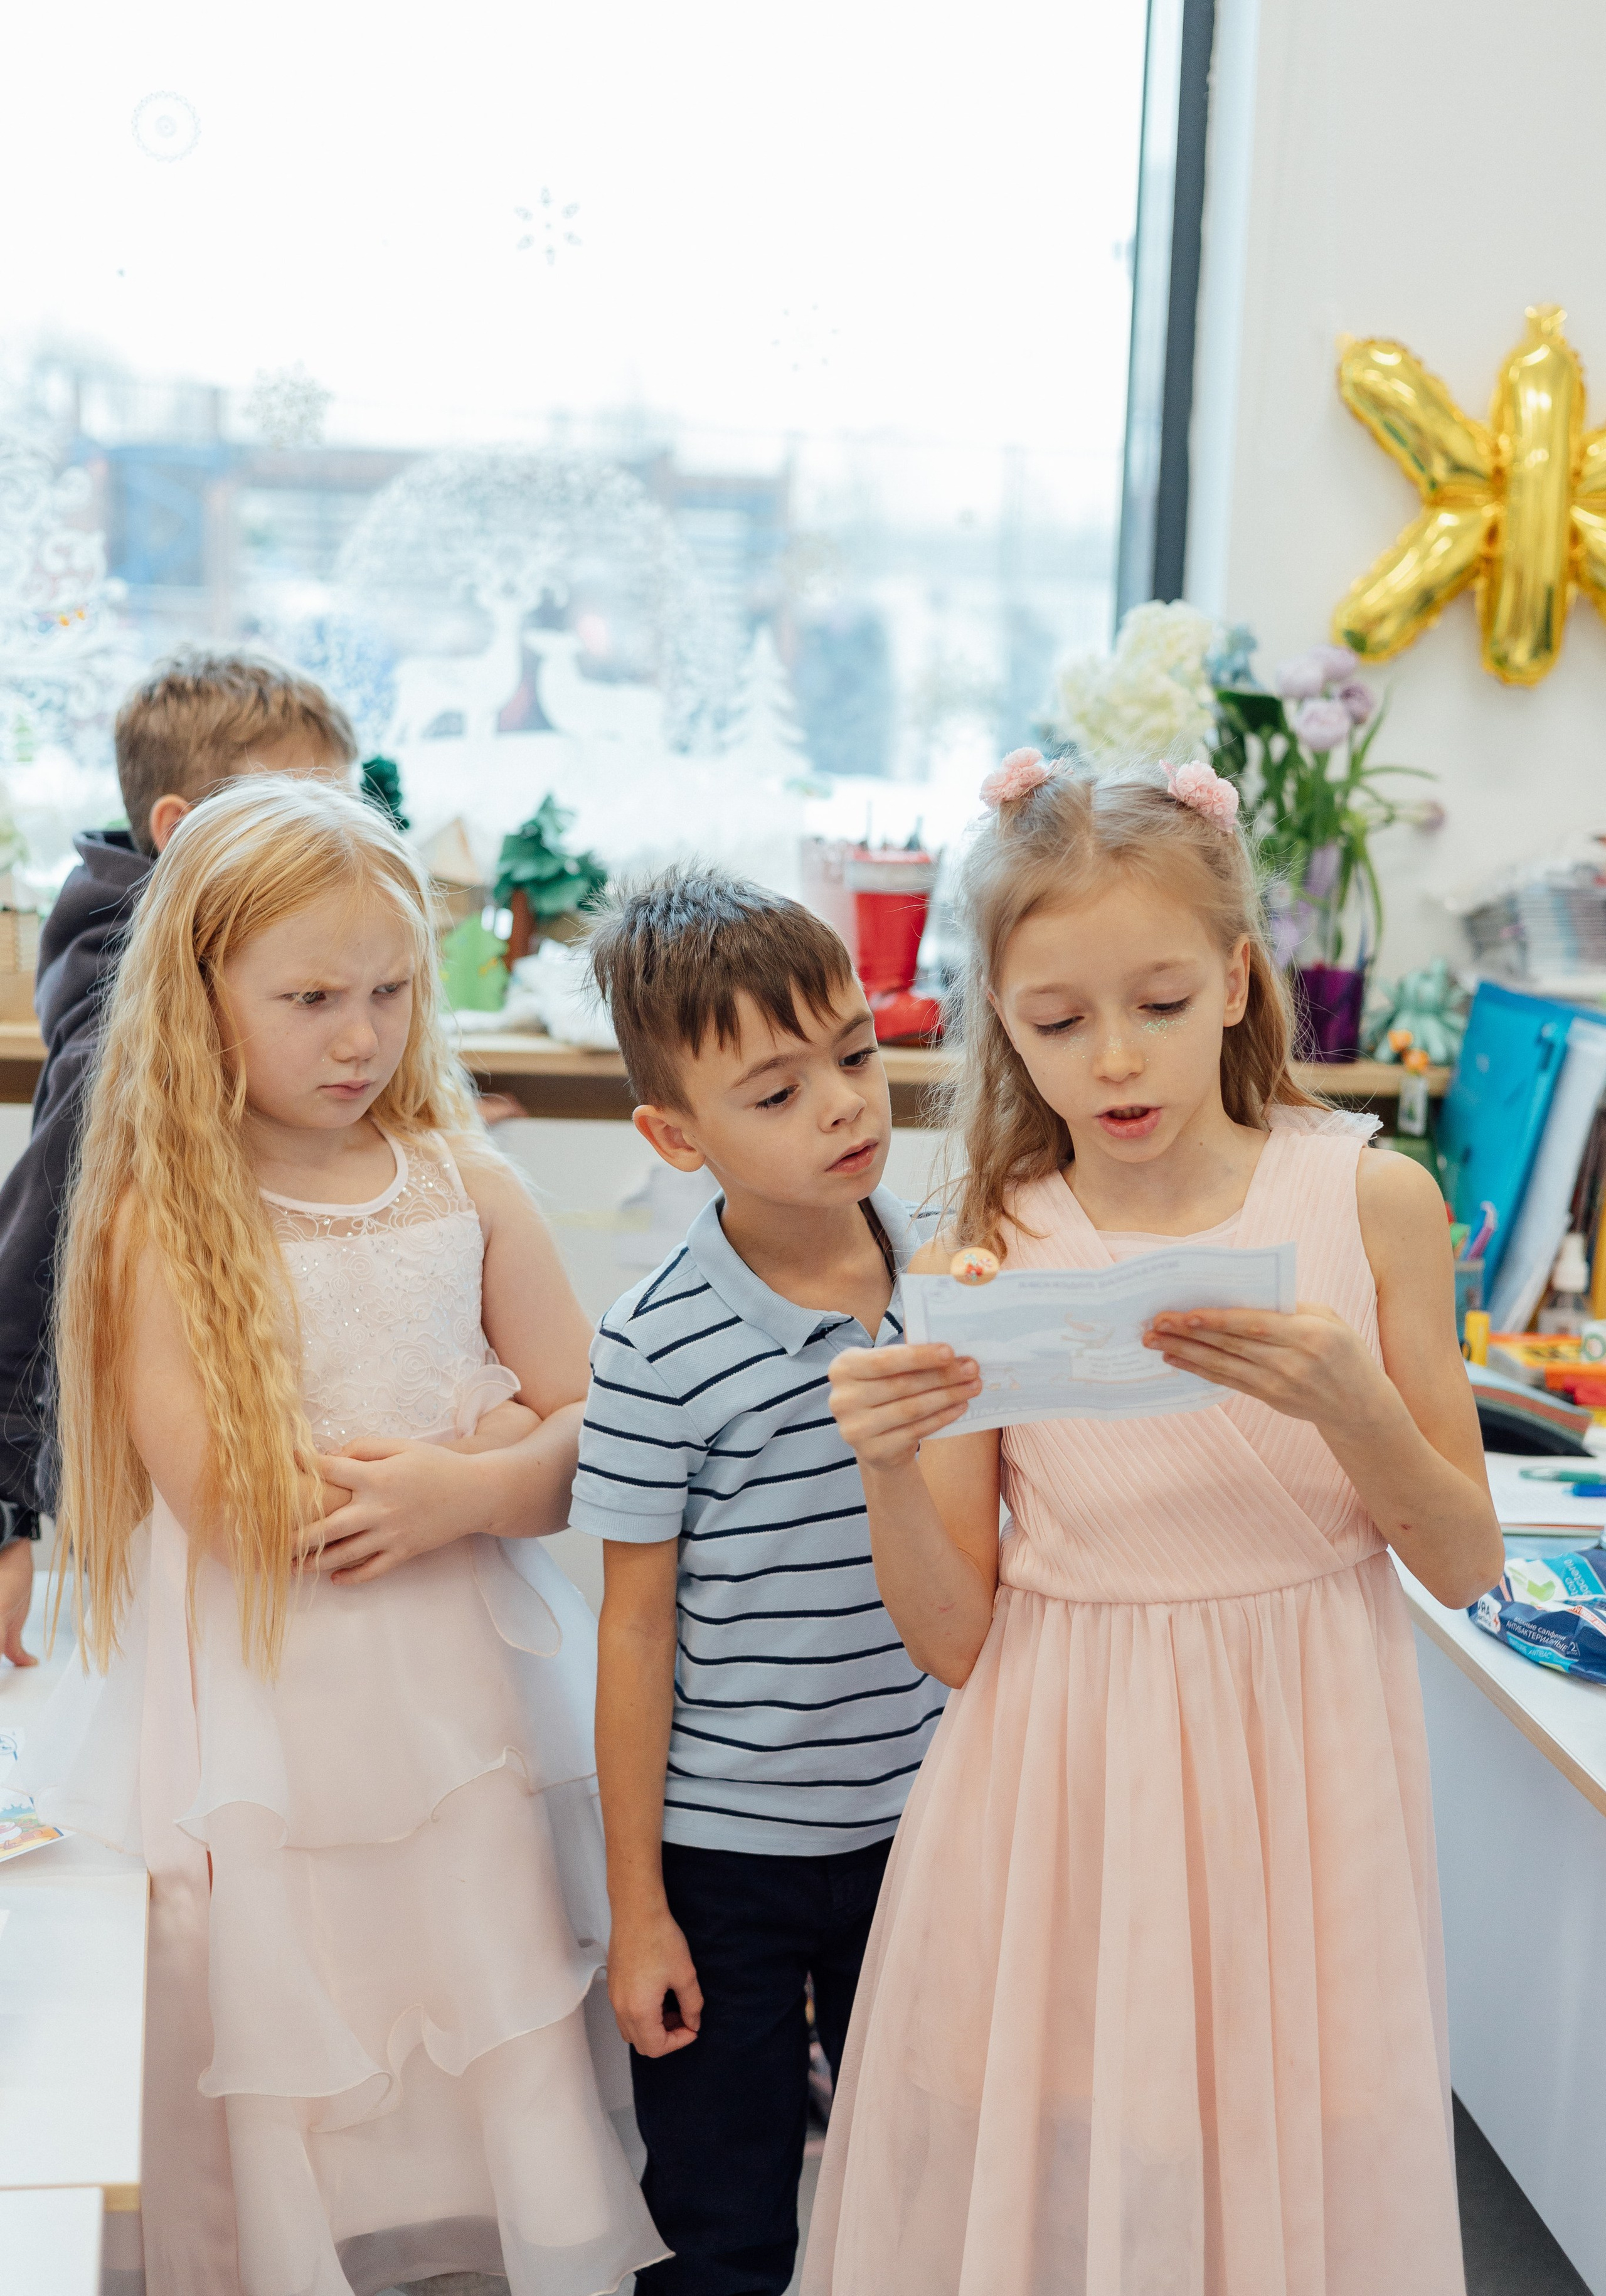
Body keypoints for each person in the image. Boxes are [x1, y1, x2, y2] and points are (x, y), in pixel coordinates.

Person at [804, 753, 1504, 2296]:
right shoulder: (987, 1251)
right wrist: (883, 1465)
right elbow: (952, 1641)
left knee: (1285, 2171)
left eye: (1162, 1004)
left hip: (1301, 1769)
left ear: (1235, 982)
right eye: (1056, 1023)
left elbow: (1465, 1565)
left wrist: (1352, 1405)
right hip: (1062, 1779)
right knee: (1075, 2179)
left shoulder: (1369, 1204)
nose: (1114, 1060)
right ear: (1001, 1020)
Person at [9, 777, 665, 2296]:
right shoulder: (163, 1218)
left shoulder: (470, 1186)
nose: (359, 1038)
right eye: (310, 999)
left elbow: (594, 1430)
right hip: (263, 1717)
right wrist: (482, 1450)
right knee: (295, 1992)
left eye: (388, 992)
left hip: (463, 1714)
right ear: (202, 997)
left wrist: (473, 1490)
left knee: (470, 1966)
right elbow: (235, 1506)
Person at [572, 871, 946, 2296]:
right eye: (779, 1093)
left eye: (854, 1056)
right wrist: (640, 1912)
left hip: (918, 1821)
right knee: (723, 2219)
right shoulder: (652, 1345)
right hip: (723, 1857)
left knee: (924, 2177)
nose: (845, 1107)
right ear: (676, 1136)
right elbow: (633, 1632)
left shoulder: (953, 1275)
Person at [0, 646, 359, 1671]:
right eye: (294, 814)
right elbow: (30, 1260)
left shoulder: (220, 952)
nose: (331, 846)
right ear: (177, 828)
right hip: (174, 1462)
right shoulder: (130, 1030)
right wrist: (6, 1516)